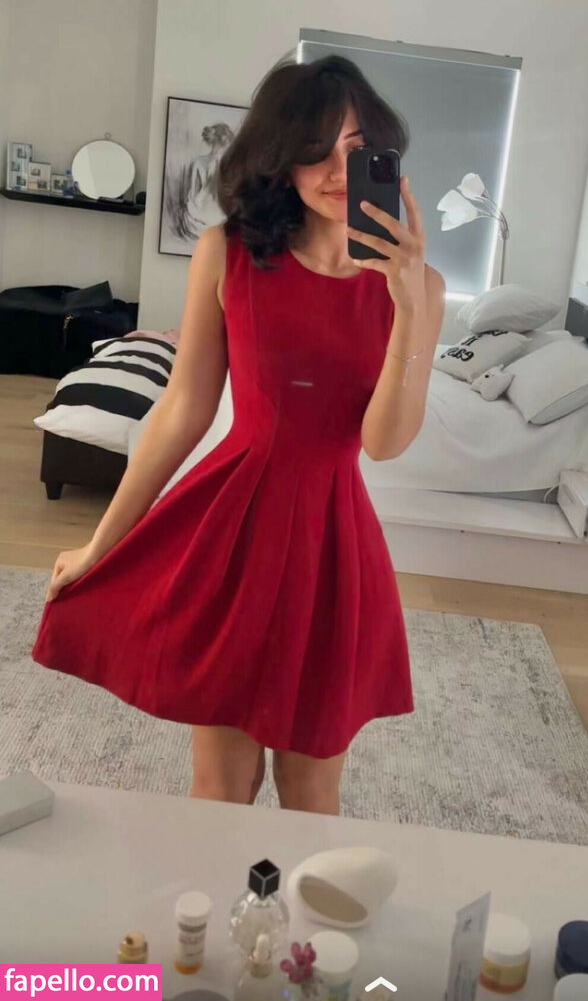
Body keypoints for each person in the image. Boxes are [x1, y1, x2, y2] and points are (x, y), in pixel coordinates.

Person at [31, 54, 446, 816]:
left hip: (332, 543)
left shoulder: (421, 288)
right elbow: (183, 410)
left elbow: (384, 442)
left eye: (355, 148)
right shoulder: (230, 253)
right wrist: (101, 544)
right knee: (220, 787)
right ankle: (218, 902)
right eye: (313, 148)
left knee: (312, 789)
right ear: (280, 156)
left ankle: (296, 908)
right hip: (233, 525)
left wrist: (410, 304)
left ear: (383, 156)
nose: (335, 171)